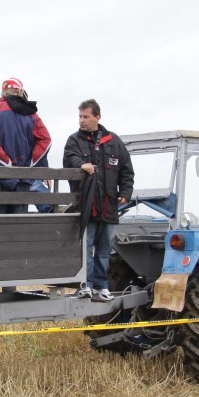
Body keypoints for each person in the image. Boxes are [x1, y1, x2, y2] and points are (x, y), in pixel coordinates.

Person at [63, 99, 134, 302]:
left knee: (104, 250)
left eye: (85, 117)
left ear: (97, 117)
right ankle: (85, 285)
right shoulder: (73, 140)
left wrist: (126, 192)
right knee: (86, 248)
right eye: (80, 117)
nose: (82, 121)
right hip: (87, 206)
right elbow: (69, 159)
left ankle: (101, 287)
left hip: (108, 207)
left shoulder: (113, 141)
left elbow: (127, 171)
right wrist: (81, 164)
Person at [0, 78, 52, 214]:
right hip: (22, 177)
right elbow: (45, 140)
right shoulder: (31, 113)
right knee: (17, 226)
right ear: (20, 91)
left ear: (3, 93)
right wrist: (31, 163)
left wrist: (5, 164)